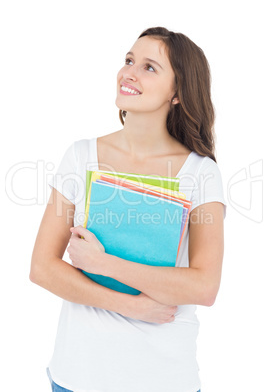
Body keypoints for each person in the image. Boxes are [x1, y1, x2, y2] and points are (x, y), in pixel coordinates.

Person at [30, 26, 225, 392]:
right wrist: (130, 306)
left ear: (178, 93)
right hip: (77, 375)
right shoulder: (81, 156)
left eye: (150, 67)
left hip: (163, 379)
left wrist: (104, 264)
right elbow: (42, 268)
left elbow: (204, 286)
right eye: (129, 60)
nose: (129, 73)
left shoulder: (200, 173)